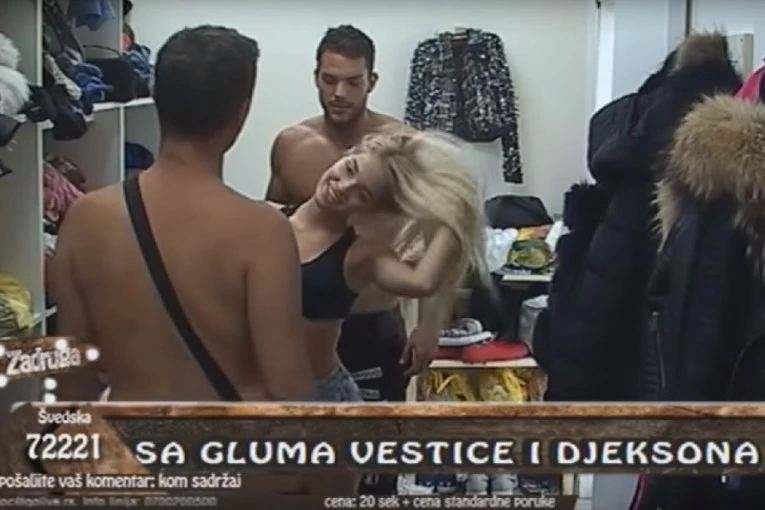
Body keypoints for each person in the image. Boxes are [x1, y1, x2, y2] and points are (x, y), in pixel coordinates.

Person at [50, 25, 315, 403]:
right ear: (241, 113)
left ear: (156, 95)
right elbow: (287, 387)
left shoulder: (85, 219)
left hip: (126, 434)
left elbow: (73, 380)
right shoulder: (262, 232)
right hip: (222, 438)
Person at [267, 25, 446, 408]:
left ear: (371, 81)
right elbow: (274, 232)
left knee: (376, 441)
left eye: (352, 82)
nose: (339, 93)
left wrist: (431, 325)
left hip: (372, 322)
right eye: (329, 80)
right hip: (305, 326)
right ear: (316, 77)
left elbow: (442, 234)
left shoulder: (403, 151)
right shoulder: (291, 145)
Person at [276, 131, 490, 402]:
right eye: (349, 169)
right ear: (346, 154)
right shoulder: (270, 221)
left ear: (371, 209)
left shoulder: (361, 253)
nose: (343, 187)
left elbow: (421, 282)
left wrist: (456, 215)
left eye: (362, 195)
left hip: (324, 397)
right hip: (267, 389)